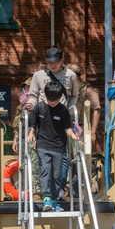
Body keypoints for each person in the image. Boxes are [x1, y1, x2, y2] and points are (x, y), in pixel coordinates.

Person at [26, 80, 76, 212]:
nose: (52, 102)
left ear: (60, 98)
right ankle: (46, 198)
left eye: (55, 100)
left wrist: (73, 135)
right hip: (43, 145)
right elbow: (33, 124)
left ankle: (54, 201)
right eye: (50, 99)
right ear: (46, 96)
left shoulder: (63, 110)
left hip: (59, 146)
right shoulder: (40, 107)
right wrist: (31, 133)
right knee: (45, 171)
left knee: (57, 175)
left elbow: (67, 128)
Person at [65, 62, 102, 151]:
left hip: (80, 128)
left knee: (79, 156)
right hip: (65, 127)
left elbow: (97, 111)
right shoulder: (65, 89)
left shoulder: (88, 90)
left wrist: (93, 132)